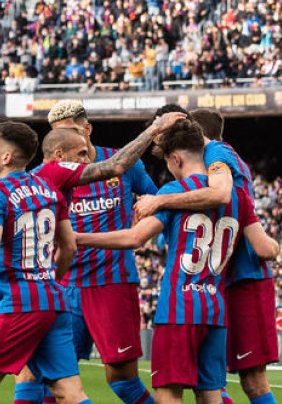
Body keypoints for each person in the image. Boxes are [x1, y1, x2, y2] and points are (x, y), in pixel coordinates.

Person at [76, 119, 280, 404]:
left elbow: (134, 239)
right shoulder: (240, 196)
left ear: (176, 159)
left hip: (179, 308)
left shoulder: (173, 193)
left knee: (167, 393)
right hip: (215, 307)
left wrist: (79, 238)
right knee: (210, 393)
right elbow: (263, 247)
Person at [16, 101, 181, 404]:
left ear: (87, 129)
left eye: (73, 134)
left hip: (112, 280)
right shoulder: (44, 174)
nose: (65, 149)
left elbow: (159, 202)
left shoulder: (124, 163)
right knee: (46, 376)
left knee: (123, 380)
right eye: (58, 139)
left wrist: (149, 218)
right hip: (64, 284)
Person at [0, 121, 91, 404]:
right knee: (69, 392)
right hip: (54, 301)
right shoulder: (50, 191)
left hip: (21, 303)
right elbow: (68, 247)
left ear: (6, 157)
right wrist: (47, 278)